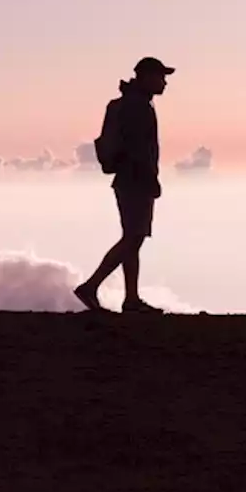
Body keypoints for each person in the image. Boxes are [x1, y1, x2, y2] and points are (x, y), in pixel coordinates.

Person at [74, 56, 174, 315]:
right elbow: (138, 149)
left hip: (127, 180)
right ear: (146, 77)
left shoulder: (133, 103)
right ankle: (91, 286)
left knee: (133, 238)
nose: (164, 82)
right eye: (160, 76)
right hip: (135, 180)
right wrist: (151, 179)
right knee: (134, 237)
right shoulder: (137, 106)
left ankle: (131, 299)